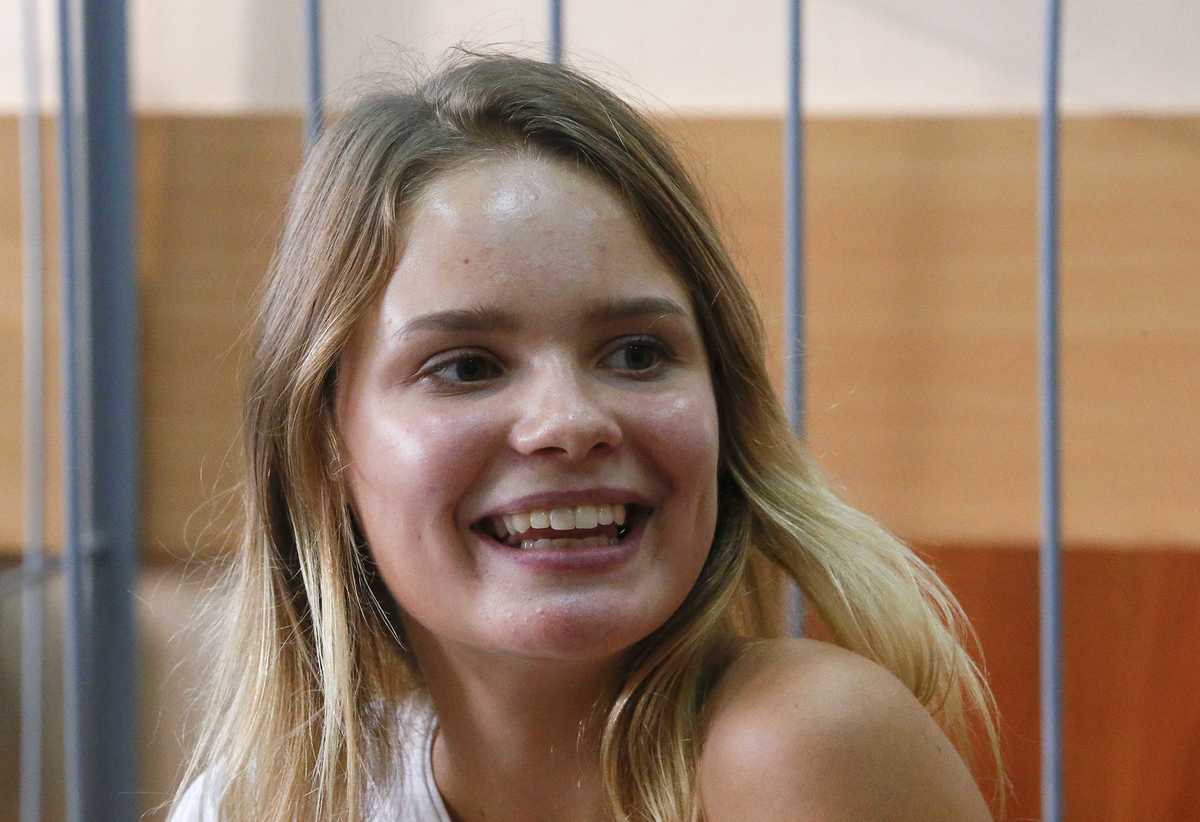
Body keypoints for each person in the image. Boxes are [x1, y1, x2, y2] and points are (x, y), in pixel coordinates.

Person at [170, 51, 1005, 821]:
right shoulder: (255, 805)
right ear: (323, 442)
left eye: (637, 354)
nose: (569, 422)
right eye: (466, 367)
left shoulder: (805, 743)